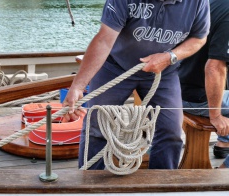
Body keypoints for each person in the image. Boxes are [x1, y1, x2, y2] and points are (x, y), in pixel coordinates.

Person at [63, 0, 210, 169]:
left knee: (171, 132)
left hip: (164, 71)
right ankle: (90, 184)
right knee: (97, 127)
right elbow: (104, 40)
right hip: (114, 66)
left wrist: (170, 56)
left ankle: (163, 186)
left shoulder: (198, 2)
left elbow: (199, 38)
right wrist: (78, 87)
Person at [178, 0, 229, 168]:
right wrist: (215, 115)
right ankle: (223, 173)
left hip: (174, 86)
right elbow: (214, 68)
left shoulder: (213, 3)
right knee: (219, 66)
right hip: (195, 97)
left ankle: (224, 143)